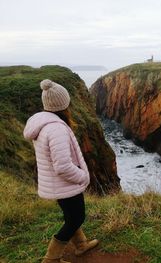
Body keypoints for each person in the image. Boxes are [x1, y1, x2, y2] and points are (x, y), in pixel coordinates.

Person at [23, 79, 99, 263]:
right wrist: (83, 177)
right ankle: (51, 259)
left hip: (56, 184)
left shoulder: (42, 123)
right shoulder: (56, 128)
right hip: (65, 184)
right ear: (63, 104)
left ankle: (81, 245)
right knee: (76, 218)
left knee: (71, 216)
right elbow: (63, 166)